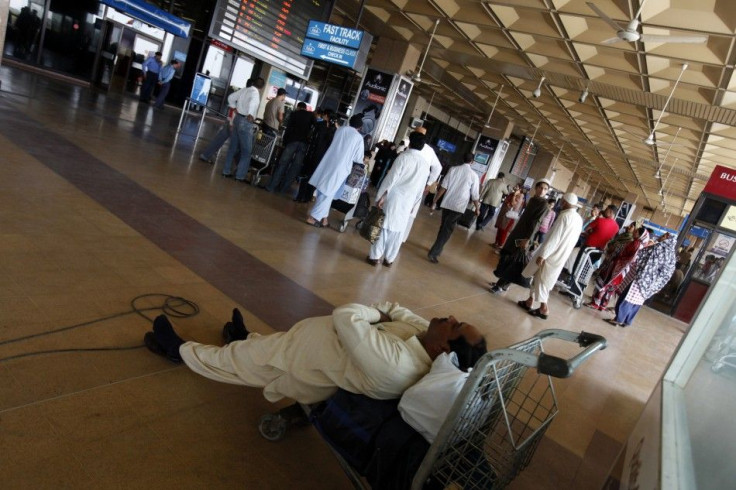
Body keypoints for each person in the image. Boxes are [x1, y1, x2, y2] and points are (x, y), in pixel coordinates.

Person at [142, 302, 487, 404]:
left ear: (444, 348)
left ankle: (180, 351)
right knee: (262, 344)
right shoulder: (424, 335)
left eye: (456, 325)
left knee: (232, 363)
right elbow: (392, 306)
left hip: (301, 365)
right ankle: (243, 338)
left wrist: (376, 317)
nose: (450, 317)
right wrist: (379, 317)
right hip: (302, 344)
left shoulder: (396, 365)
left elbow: (346, 315)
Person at [367, 132, 431, 267]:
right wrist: (415, 203)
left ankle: (375, 257)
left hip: (394, 197)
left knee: (383, 226)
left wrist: (381, 196)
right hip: (409, 200)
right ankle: (389, 259)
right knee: (398, 230)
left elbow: (391, 179)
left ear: (410, 143)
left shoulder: (403, 157)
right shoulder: (425, 165)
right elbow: (421, 189)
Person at [517, 193, 583, 319]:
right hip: (562, 254)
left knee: (542, 279)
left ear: (565, 202)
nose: (560, 204)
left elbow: (554, 238)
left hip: (552, 254)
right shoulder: (578, 219)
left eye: (562, 202)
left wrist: (544, 254)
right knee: (539, 277)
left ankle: (544, 308)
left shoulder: (564, 216)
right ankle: (529, 301)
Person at [490, 179, 551, 294]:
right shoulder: (533, 200)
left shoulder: (544, 205)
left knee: (514, 260)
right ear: (536, 188)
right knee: (508, 256)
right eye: (540, 187)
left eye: (545, 189)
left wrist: (527, 239)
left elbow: (536, 223)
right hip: (517, 233)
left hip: (524, 237)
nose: (542, 190)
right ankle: (504, 284)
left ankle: (500, 285)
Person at [306, 114, 365, 227]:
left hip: (329, 162)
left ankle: (324, 219)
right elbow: (358, 158)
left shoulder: (341, 130)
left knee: (327, 190)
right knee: (327, 192)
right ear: (360, 127)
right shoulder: (358, 138)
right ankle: (313, 218)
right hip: (341, 168)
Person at [607, 234, 677, 327]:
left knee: (627, 297)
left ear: (667, 237)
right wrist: (657, 285)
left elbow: (643, 257)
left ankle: (619, 319)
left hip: (642, 278)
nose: (661, 236)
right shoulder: (672, 254)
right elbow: (667, 273)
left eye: (664, 236)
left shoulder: (658, 248)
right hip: (651, 283)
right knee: (637, 302)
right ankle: (627, 321)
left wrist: (641, 272)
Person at [427, 153, 481, 264]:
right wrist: (477, 208)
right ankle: (434, 253)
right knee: (446, 230)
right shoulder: (473, 175)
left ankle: (437, 249)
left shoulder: (453, 169)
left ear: (463, 159)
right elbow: (475, 194)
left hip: (447, 203)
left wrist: (435, 200)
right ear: (473, 162)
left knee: (444, 227)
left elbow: (444, 186)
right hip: (458, 206)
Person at [586, 226, 648, 311]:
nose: (634, 232)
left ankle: (595, 303)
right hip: (622, 270)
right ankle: (603, 305)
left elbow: (626, 256)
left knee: (604, 283)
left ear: (640, 235)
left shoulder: (635, 243)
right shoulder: (639, 245)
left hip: (616, 267)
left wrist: (616, 257)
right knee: (611, 287)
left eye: (636, 232)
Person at [199, 79, 254, 164]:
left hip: (231, 121)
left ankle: (205, 155)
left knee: (219, 140)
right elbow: (236, 108)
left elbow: (232, 103)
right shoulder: (248, 95)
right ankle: (239, 167)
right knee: (239, 146)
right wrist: (232, 122)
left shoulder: (241, 92)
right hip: (235, 123)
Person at [403, 127, 442, 242]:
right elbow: (438, 167)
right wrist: (428, 184)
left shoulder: (412, 148)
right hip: (418, 185)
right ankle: (401, 238)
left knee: (403, 209)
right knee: (411, 211)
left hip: (406, 183)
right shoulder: (429, 150)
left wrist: (429, 183)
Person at [265, 101, 314, 194]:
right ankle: (283, 190)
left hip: (292, 142)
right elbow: (314, 128)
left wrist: (284, 141)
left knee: (282, 164)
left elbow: (288, 129)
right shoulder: (310, 116)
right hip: (303, 144)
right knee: (295, 168)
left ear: (298, 107)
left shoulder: (294, 114)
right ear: (305, 108)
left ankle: (271, 187)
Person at [222, 77, 266, 182]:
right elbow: (253, 103)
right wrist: (250, 114)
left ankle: (226, 171)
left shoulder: (245, 89)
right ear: (262, 87)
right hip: (246, 122)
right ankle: (240, 176)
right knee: (247, 152)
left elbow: (231, 97)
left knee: (233, 147)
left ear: (254, 83)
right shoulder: (255, 93)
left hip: (237, 119)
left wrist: (234, 108)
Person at [294, 108, 335, 203]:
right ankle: (307, 198)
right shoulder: (333, 130)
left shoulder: (320, 125)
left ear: (326, 116)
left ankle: (300, 196)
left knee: (306, 176)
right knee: (315, 178)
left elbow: (311, 137)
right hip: (323, 158)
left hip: (313, 154)